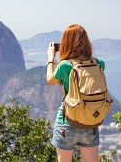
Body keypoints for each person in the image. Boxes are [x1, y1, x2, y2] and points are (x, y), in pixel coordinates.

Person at [46, 24, 105, 162]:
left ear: (66, 43)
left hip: (67, 121)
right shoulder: (99, 63)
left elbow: (50, 80)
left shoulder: (65, 65)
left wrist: (51, 58)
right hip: (91, 121)